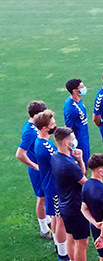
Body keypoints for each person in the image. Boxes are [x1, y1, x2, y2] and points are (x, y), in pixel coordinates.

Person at [50, 127, 102, 261]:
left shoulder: (56, 157)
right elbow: (86, 183)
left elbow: (80, 174)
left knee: (71, 238)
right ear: (67, 142)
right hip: (76, 207)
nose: (75, 141)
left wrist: (79, 159)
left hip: (65, 205)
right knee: (82, 243)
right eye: (73, 139)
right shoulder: (67, 164)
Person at [33, 110, 69, 261]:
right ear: (45, 128)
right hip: (54, 186)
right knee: (60, 219)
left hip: (50, 185)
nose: (55, 126)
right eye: (52, 124)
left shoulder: (41, 141)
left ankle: (57, 245)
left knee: (55, 217)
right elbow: (58, 162)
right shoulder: (45, 146)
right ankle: (62, 254)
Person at [16, 100, 51, 238]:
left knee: (46, 196)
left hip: (43, 168)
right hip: (38, 171)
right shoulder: (30, 132)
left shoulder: (35, 127)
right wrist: (36, 167)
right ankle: (44, 229)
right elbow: (20, 154)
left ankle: (47, 220)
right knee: (41, 198)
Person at [63, 79, 91, 165]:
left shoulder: (78, 99)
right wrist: (72, 143)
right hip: (79, 140)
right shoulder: (72, 109)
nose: (84, 88)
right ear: (75, 91)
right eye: (81, 87)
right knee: (82, 165)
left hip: (84, 136)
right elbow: (67, 127)